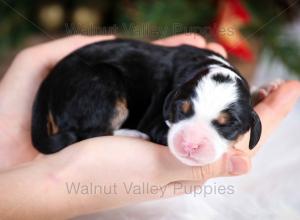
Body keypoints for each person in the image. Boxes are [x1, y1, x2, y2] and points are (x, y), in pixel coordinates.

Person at [0, 34, 299, 219]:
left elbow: (230, 104)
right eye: (183, 114)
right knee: (105, 89)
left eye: (223, 127)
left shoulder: (223, 92)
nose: (192, 141)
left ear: (251, 124)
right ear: (173, 103)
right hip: (93, 78)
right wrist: (56, 183)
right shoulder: (175, 86)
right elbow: (165, 121)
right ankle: (92, 132)